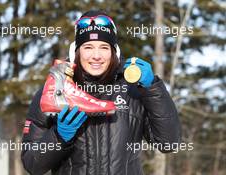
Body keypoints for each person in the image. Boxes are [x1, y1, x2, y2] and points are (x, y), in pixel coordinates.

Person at [21, 10, 181, 175]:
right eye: (88, 47)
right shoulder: (55, 91)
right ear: (76, 51)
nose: (96, 56)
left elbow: (169, 143)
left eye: (104, 47)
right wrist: (59, 137)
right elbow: (32, 164)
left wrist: (153, 88)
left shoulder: (133, 90)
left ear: (114, 52)